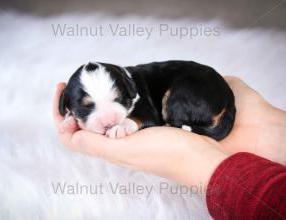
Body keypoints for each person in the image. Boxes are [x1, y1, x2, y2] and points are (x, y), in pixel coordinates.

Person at [53, 76, 286, 219]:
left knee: (166, 109)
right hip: (203, 95)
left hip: (196, 92)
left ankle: (192, 123)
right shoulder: (132, 85)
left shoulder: (138, 92)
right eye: (86, 108)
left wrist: (194, 161)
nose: (107, 119)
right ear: (69, 107)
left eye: (116, 100)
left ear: (127, 90)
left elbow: (145, 114)